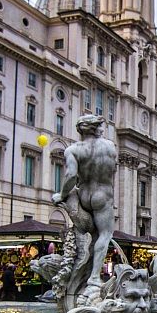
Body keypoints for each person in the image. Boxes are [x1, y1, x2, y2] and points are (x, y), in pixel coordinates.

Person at [52, 113, 117, 295]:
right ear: (95, 128)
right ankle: (94, 277)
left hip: (83, 194)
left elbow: (71, 176)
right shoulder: (110, 147)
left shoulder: (72, 149)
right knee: (104, 234)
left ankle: (79, 270)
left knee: (84, 234)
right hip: (102, 195)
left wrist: (62, 194)